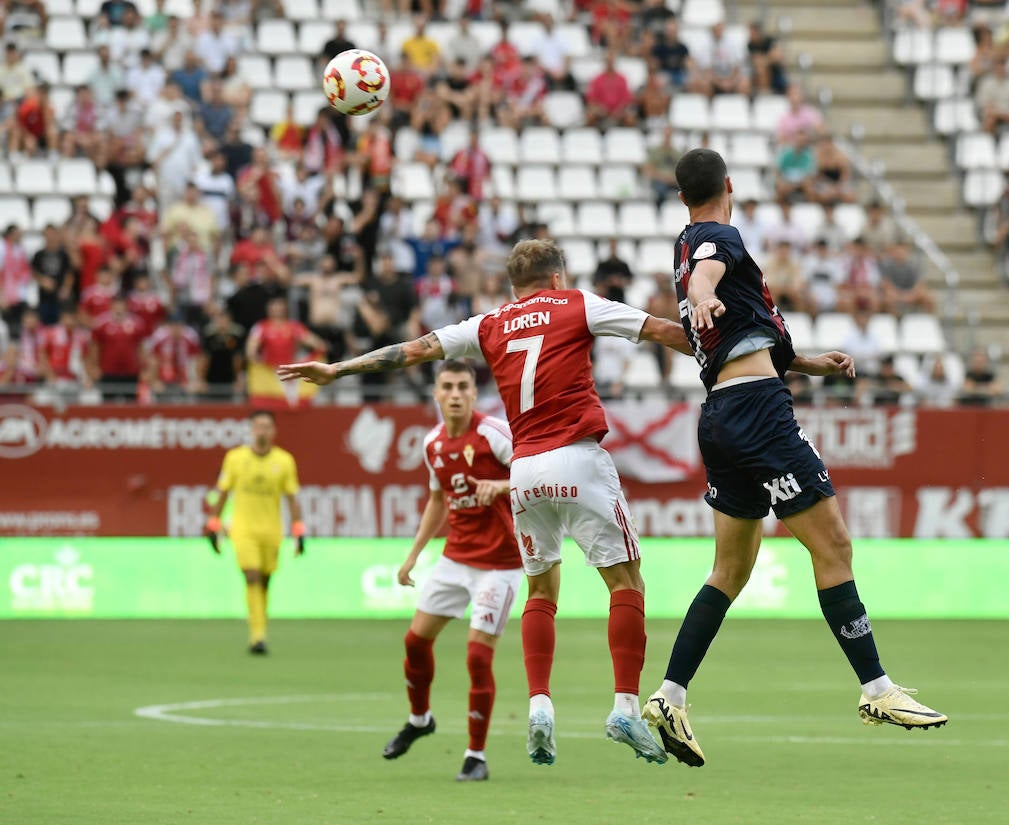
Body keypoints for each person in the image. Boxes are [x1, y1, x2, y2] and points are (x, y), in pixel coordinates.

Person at [277, 240, 694, 768]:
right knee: (626, 582)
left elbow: (411, 350)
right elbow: (660, 331)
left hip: (523, 473)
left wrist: (337, 369)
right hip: (578, 457)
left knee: (541, 590)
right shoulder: (577, 304)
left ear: (512, 286)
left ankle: (540, 704)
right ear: (557, 277)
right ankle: (624, 706)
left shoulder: (487, 324)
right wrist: (726, 358)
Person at [643, 149, 948, 769]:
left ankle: (669, 695)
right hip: (759, 414)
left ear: (680, 197)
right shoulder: (715, 238)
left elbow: (737, 330)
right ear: (730, 186)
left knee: (729, 570)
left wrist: (806, 361)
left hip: (721, 415)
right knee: (833, 548)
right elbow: (706, 277)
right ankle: (877, 689)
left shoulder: (686, 243)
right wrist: (702, 299)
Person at [382, 360, 522, 783]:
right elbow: (438, 500)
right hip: (455, 558)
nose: (457, 393)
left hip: (500, 564)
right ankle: (420, 719)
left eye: (464, 386)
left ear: (473, 393)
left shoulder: (494, 434)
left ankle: (475, 755)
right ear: (436, 394)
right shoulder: (433, 444)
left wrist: (499, 486)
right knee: (415, 641)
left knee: (478, 655)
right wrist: (412, 556)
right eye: (448, 386)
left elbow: (536, 474)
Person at [203, 410, 304, 655]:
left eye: (267, 427)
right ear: (251, 430)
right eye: (258, 426)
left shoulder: (284, 461)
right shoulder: (235, 458)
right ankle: (257, 636)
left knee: (266, 581)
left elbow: (292, 498)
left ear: (274, 431)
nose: (262, 431)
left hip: (271, 531)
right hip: (243, 530)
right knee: (251, 576)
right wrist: (213, 523)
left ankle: (260, 627)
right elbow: (223, 492)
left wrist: (298, 530)